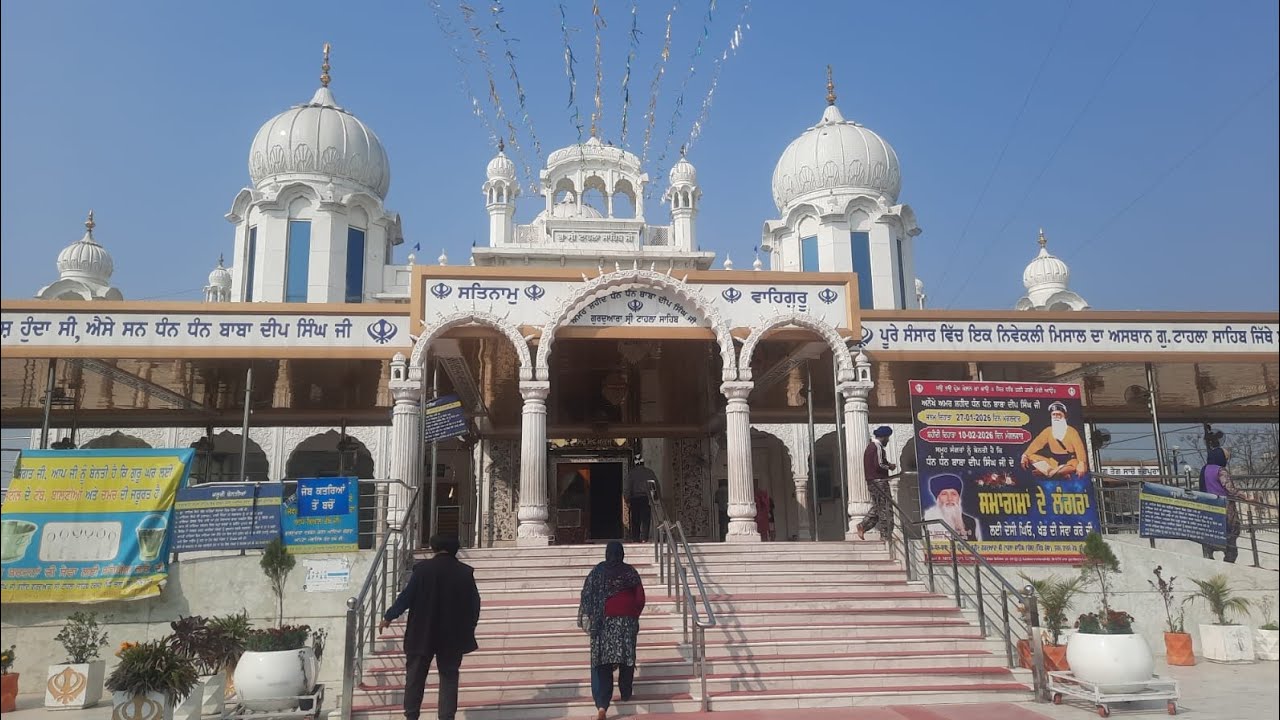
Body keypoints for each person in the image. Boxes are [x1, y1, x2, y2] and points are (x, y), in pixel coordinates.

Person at [379, 535, 481, 720]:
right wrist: (470, 626)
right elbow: (474, 604)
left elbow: (407, 597)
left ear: (434, 548)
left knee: (415, 678)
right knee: (449, 676)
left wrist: (389, 616)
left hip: (421, 632)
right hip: (452, 634)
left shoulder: (422, 570)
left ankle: (411, 715)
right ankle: (446, 716)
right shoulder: (464, 572)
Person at [577, 541, 646, 720]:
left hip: (603, 621)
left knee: (602, 661)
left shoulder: (597, 572)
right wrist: (633, 615)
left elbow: (586, 595)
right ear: (621, 553)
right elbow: (640, 598)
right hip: (626, 621)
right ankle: (625, 692)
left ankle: (602, 704)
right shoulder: (630, 572)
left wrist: (593, 615)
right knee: (627, 657)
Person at [1022, 401, 1088, 478]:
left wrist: (1081, 462)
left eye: (1059, 414)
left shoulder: (1071, 431)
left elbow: (1079, 448)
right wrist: (1025, 455)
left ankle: (1050, 473)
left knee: (1076, 465)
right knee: (1031, 457)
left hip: (1070, 461)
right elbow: (1036, 444)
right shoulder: (1048, 430)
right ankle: (1056, 472)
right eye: (1054, 414)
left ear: (1064, 417)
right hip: (1053, 462)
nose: (1056, 417)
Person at [1199, 447, 1243, 563]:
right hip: (1224, 508)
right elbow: (1229, 489)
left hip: (1209, 507)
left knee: (1213, 533)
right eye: (1226, 457)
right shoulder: (1221, 470)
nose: (1226, 460)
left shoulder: (1204, 469)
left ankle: (1210, 553)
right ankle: (1228, 562)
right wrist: (1242, 495)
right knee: (1231, 537)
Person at [856, 426, 897, 540]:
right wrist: (890, 466)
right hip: (879, 481)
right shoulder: (877, 447)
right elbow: (879, 464)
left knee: (879, 506)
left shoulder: (871, 447)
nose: (888, 441)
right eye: (887, 438)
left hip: (872, 482)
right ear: (883, 437)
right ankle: (886, 535)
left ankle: (863, 525)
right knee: (885, 508)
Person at [922, 474, 982, 541]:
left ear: (958, 498)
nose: (950, 498)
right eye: (944, 494)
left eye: (953, 494)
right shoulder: (927, 522)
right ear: (938, 499)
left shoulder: (973, 522)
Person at [624, 459, 656, 542]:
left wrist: (627, 499)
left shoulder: (632, 473)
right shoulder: (649, 472)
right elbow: (654, 485)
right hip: (645, 498)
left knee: (635, 519)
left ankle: (635, 538)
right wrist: (655, 497)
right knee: (645, 519)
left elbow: (628, 487)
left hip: (635, 499)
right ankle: (644, 538)